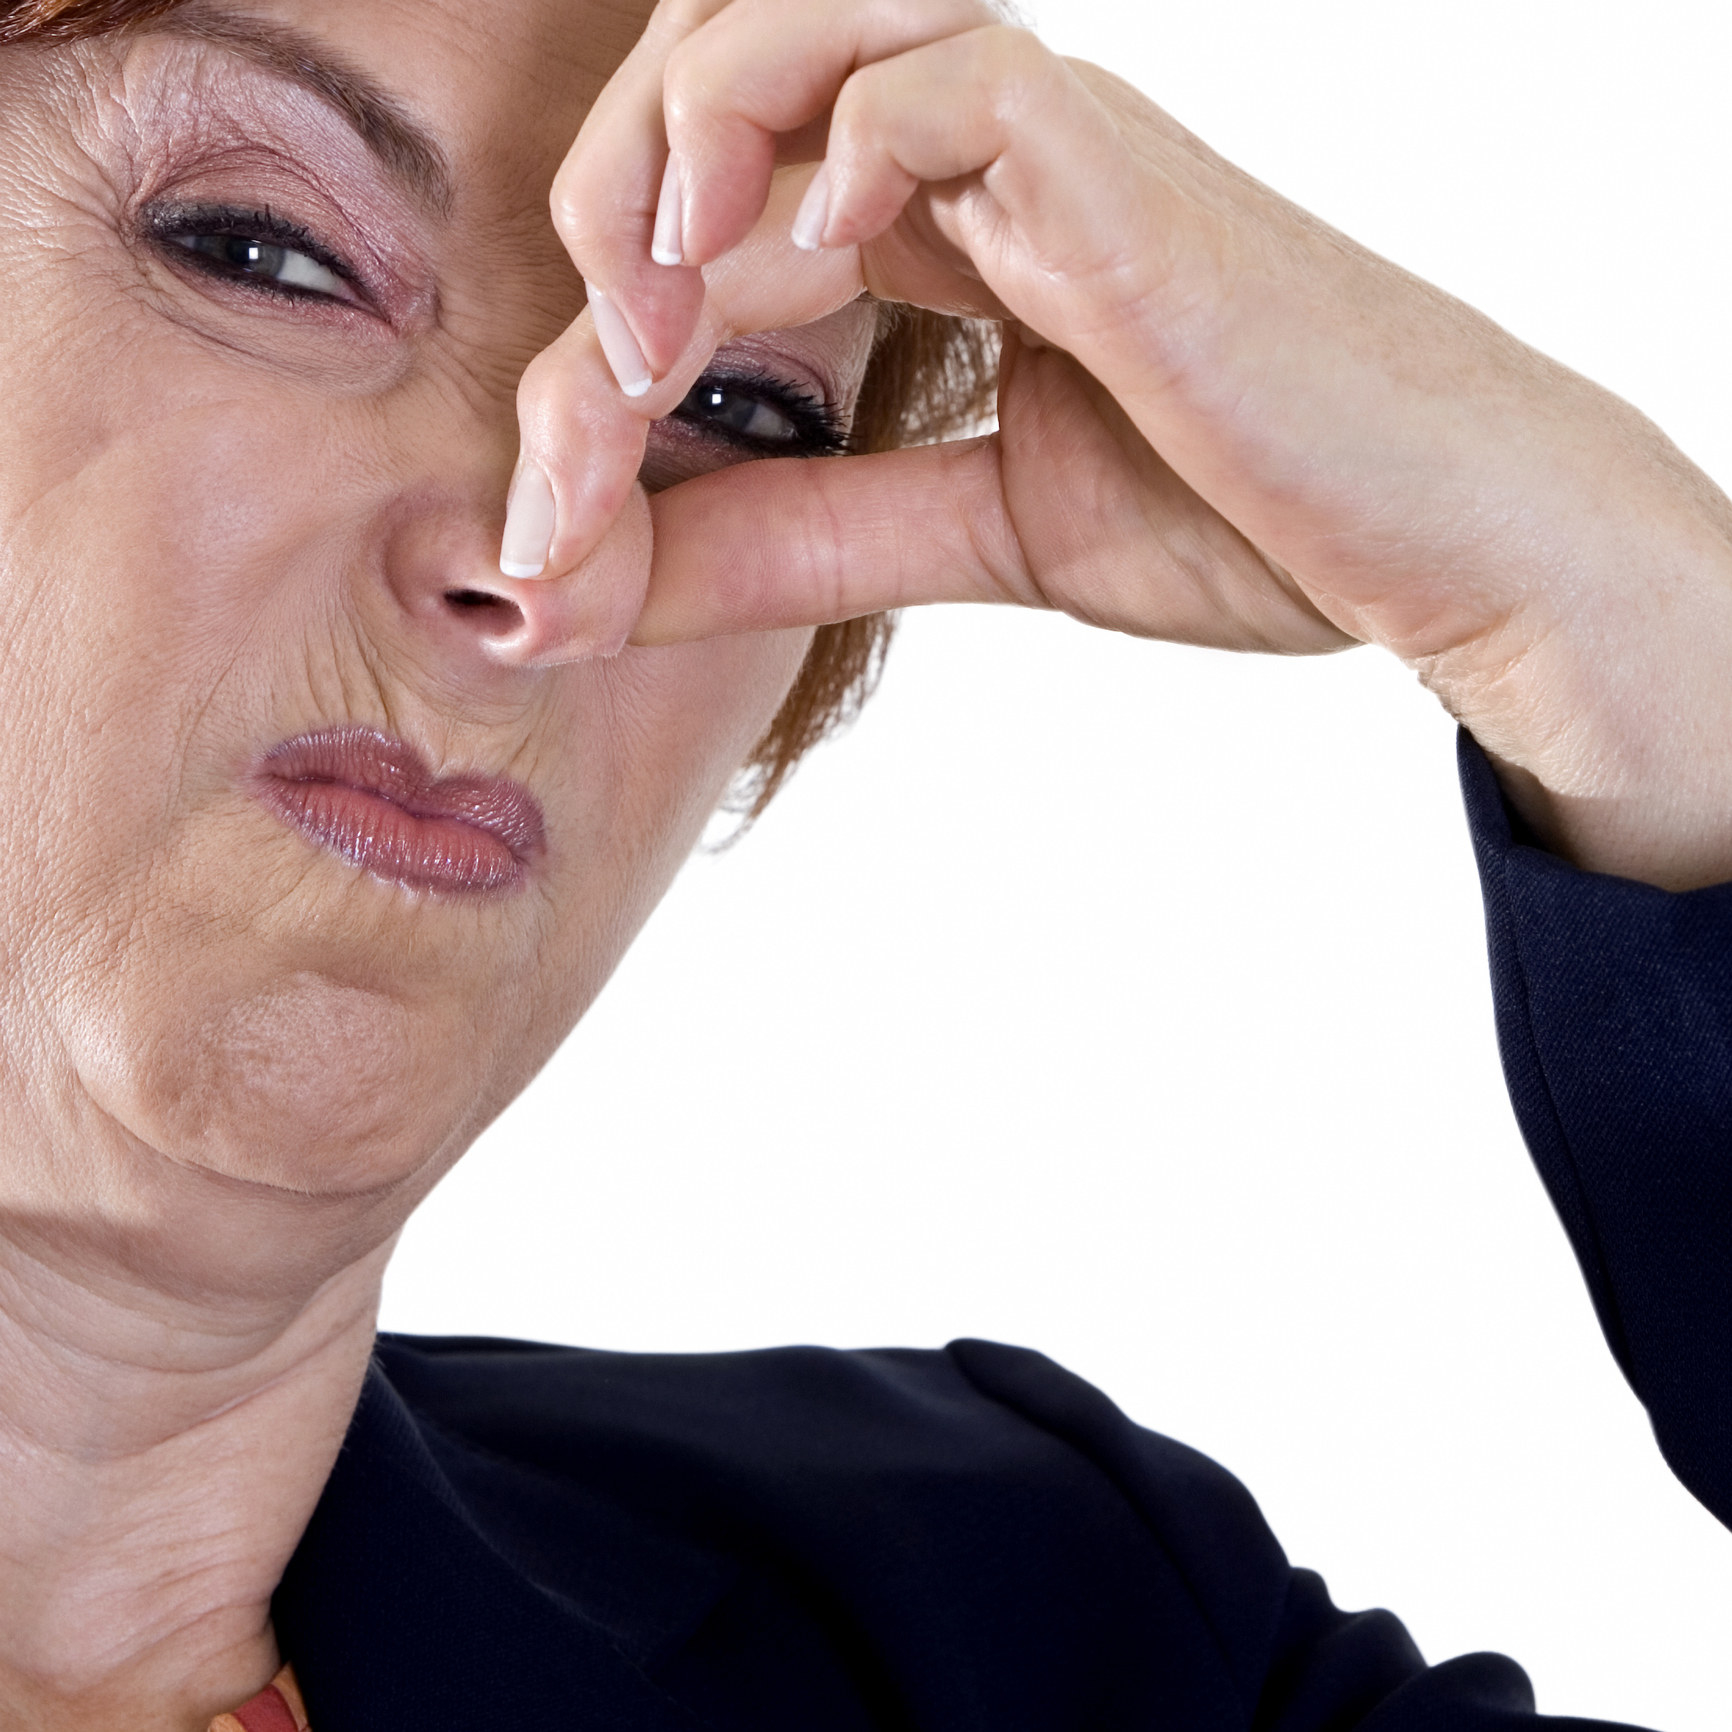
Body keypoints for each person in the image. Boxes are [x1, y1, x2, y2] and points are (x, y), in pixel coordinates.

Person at [0, 0, 1726, 1728]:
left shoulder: (1036, 1640)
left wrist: (1599, 597)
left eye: (735, 407)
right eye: (262, 251)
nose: (542, 549)